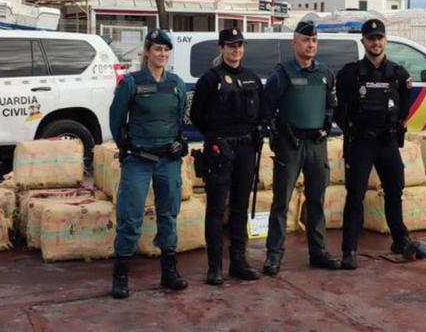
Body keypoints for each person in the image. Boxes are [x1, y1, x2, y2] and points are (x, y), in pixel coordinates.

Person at [108, 29, 189, 299]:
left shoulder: (176, 84)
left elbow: (179, 122)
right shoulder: (131, 83)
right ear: (146, 51)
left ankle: (169, 272)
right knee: (130, 216)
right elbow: (116, 120)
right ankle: (120, 276)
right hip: (138, 160)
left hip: (167, 160)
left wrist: (180, 143)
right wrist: (126, 148)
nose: (162, 54)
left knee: (168, 215)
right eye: (157, 49)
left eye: (166, 50)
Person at [262, 20, 342, 275]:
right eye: (306, 40)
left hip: (316, 145)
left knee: (317, 200)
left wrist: (326, 126)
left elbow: (331, 106)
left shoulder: (324, 73)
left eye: (314, 41)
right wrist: (279, 133)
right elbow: (266, 110)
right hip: (290, 146)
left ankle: (318, 252)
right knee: (281, 203)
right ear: (294, 42)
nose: (310, 45)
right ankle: (274, 256)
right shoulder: (282, 74)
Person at [335, 18, 414, 270]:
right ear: (363, 42)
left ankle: (400, 240)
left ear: (385, 40)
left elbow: (405, 108)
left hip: (387, 142)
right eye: (371, 39)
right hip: (361, 144)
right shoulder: (349, 74)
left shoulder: (399, 74)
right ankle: (349, 250)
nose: (375, 42)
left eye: (379, 38)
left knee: (394, 191)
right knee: (355, 196)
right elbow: (340, 110)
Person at [189, 27, 263, 285]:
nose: (236, 50)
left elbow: (261, 114)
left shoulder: (252, 78)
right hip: (220, 149)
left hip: (245, 149)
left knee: (240, 207)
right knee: (217, 209)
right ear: (221, 48)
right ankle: (215, 267)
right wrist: (216, 136)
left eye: (239, 45)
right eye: (231, 45)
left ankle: (239, 262)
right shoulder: (210, 79)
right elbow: (196, 115)